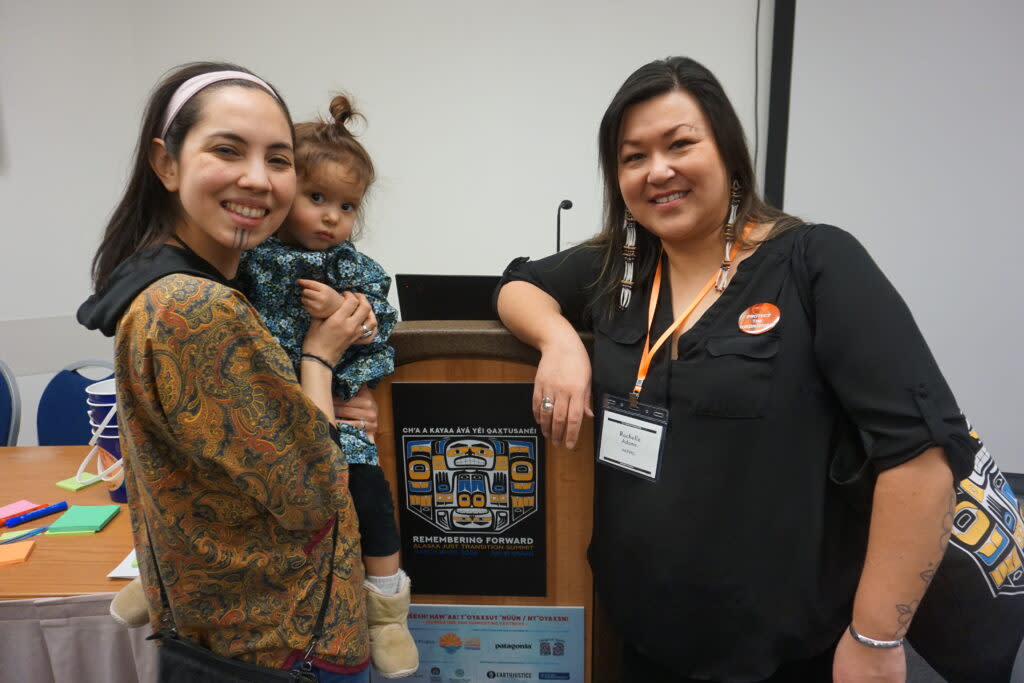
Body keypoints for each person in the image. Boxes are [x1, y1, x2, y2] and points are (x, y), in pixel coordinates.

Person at [496, 56, 1018, 682]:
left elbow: (921, 461)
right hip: (640, 640)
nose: (657, 170)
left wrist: (877, 640)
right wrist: (559, 341)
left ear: (728, 151)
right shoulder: (623, 265)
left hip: (783, 655)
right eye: (633, 156)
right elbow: (517, 284)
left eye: (679, 144)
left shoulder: (816, 262)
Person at [78, 61, 371, 681]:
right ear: (167, 163)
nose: (257, 180)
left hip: (232, 633)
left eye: (279, 160)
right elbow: (315, 493)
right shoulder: (196, 309)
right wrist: (320, 358)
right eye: (227, 150)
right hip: (278, 647)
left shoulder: (166, 287)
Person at [235, 94, 418, 679]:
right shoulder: (251, 257)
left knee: (370, 497)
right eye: (317, 199)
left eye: (346, 205)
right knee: (234, 493)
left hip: (334, 415)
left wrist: (346, 308)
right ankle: (156, 569)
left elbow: (381, 321)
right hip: (264, 415)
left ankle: (387, 613)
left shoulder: (348, 266)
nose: (332, 217)